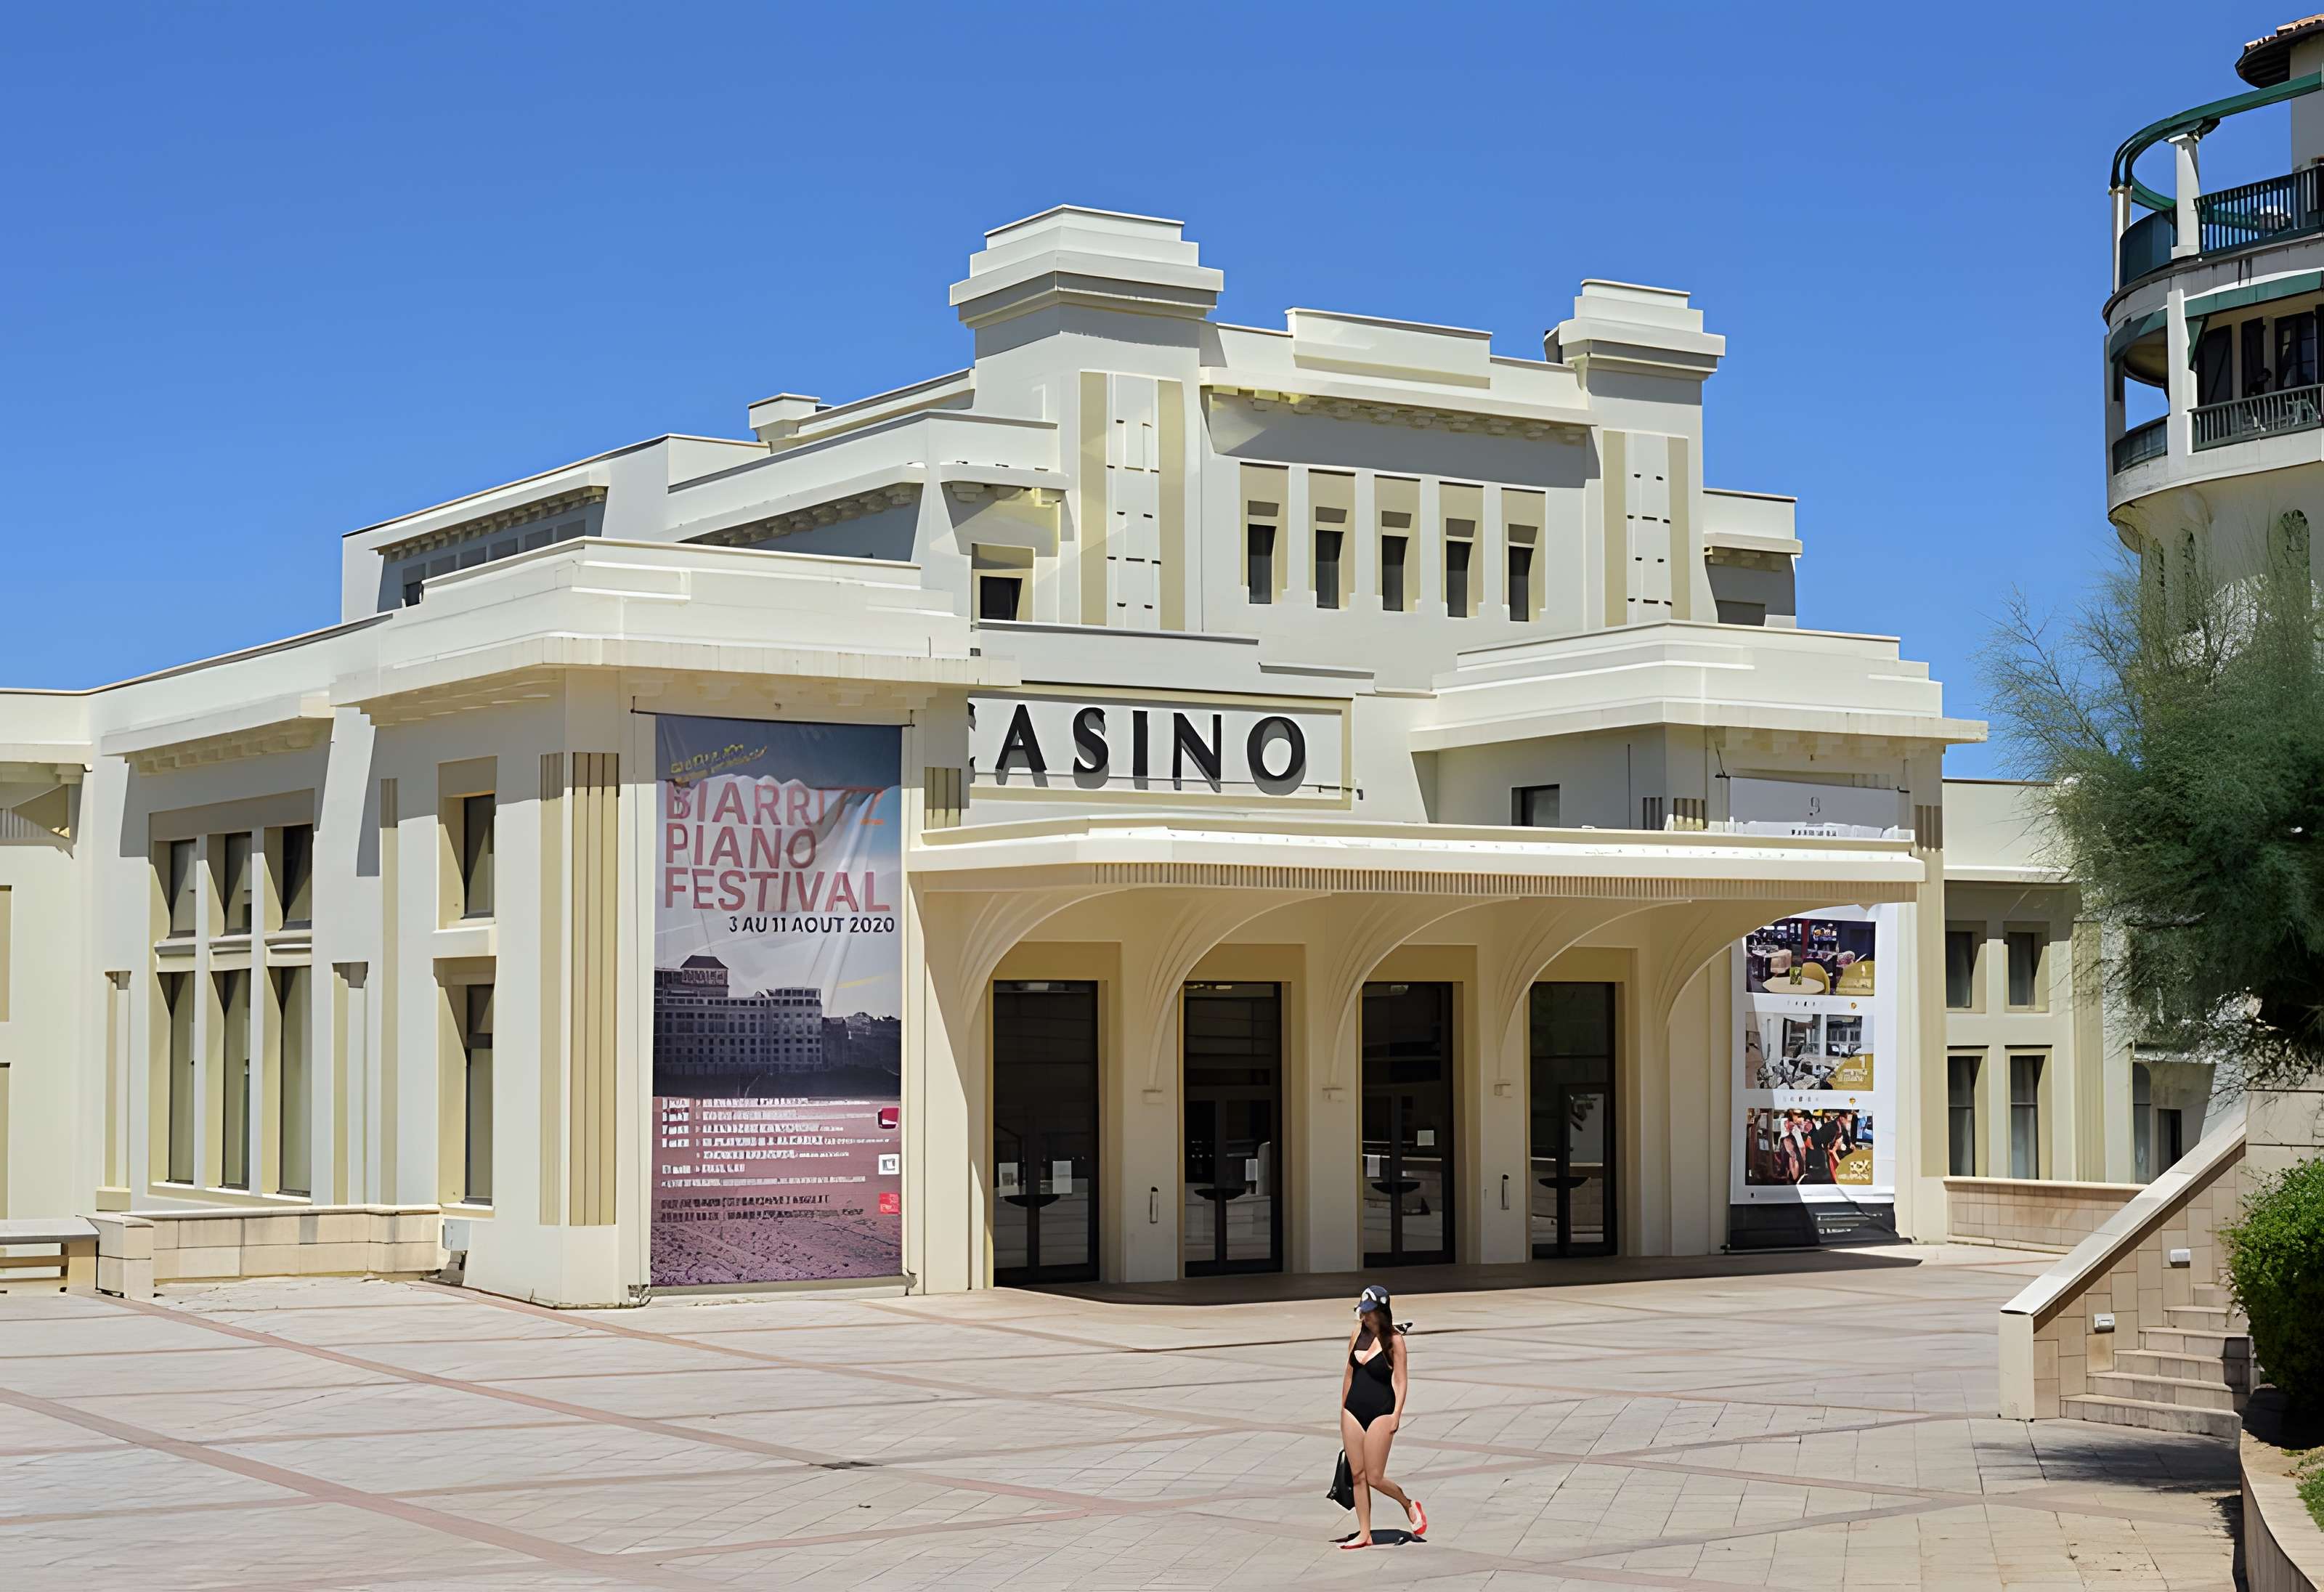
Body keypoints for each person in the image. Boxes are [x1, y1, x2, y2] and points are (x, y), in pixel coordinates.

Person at [1338, 1283, 1425, 1548]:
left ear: (1381, 1311)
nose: (1364, 1317)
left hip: (1382, 1412)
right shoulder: (1357, 1334)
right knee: (1357, 1476)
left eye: (1369, 1312)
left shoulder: (1395, 1341)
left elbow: (1400, 1381)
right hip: (1353, 1411)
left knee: (1375, 1477)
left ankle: (1408, 1504)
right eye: (1362, 1312)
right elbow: (1349, 1374)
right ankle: (1365, 1534)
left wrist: (1396, 1415)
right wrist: (1343, 1408)